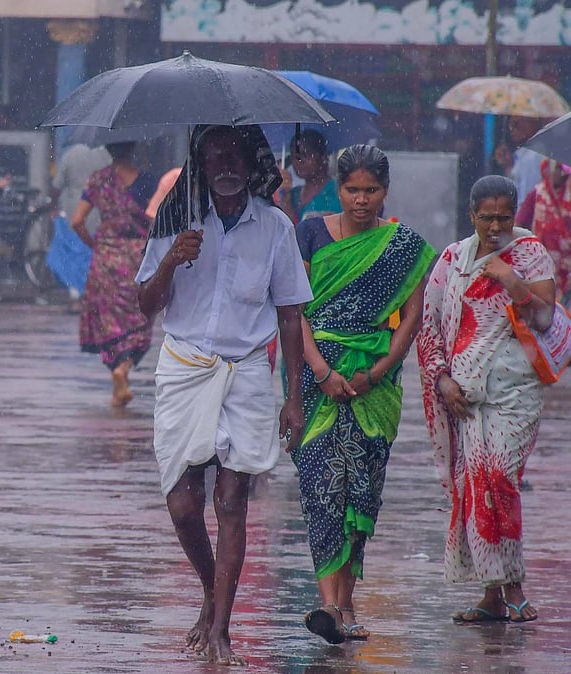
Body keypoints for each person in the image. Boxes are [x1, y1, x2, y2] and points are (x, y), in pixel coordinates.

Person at [136, 124, 311, 666]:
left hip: (250, 373)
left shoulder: (276, 226)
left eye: (234, 154)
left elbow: (289, 314)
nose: (225, 164)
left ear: (252, 160)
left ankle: (222, 629)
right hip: (185, 365)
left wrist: (295, 396)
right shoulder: (174, 219)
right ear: (200, 163)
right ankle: (212, 591)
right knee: (183, 502)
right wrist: (171, 260)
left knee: (230, 503)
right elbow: (146, 305)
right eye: (214, 156)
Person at [292, 145, 435, 644]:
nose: (361, 199)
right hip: (318, 381)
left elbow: (412, 320)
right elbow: (295, 311)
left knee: (359, 495)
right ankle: (330, 606)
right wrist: (321, 369)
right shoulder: (309, 232)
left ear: (385, 191)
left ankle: (344, 606)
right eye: (352, 189)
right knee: (320, 489)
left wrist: (376, 373)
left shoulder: (404, 247)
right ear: (338, 187)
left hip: (375, 385)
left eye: (370, 190)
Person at [417, 175, 554, 626]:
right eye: (486, 217)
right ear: (471, 214)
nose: (495, 226)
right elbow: (430, 326)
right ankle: (493, 594)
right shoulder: (453, 259)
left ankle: (513, 586)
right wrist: (442, 381)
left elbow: (546, 316)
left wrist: (512, 281)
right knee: (476, 488)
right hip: (465, 398)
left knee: (499, 479)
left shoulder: (530, 252)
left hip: (514, 393)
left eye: (503, 217)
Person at [70, 141, 156, 407]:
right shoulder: (147, 181)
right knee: (141, 319)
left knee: (107, 323)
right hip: (137, 259)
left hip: (105, 258)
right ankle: (124, 369)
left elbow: (77, 221)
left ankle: (117, 379)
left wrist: (95, 244)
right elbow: (155, 219)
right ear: (133, 149)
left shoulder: (98, 180)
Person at [51, 142, 111, 310]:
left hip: (74, 210)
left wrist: (53, 207)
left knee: (74, 255)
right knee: (91, 256)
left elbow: (56, 186)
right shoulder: (104, 156)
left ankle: (76, 298)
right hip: (97, 211)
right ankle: (92, 296)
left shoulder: (70, 155)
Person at [516, 159, 571, 300]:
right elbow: (518, 225)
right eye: (557, 167)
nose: (562, 172)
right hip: (542, 267)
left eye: (565, 167)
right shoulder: (537, 194)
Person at [279, 130, 341, 224]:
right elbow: (289, 231)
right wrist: (286, 198)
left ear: (323, 156)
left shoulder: (338, 191)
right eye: (294, 156)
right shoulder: (293, 194)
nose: (298, 161)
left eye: (305, 155)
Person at [494, 116, 545, 202]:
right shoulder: (524, 154)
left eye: (516, 124)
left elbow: (525, 199)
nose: (511, 129)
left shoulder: (531, 157)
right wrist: (508, 166)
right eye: (510, 125)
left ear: (531, 122)